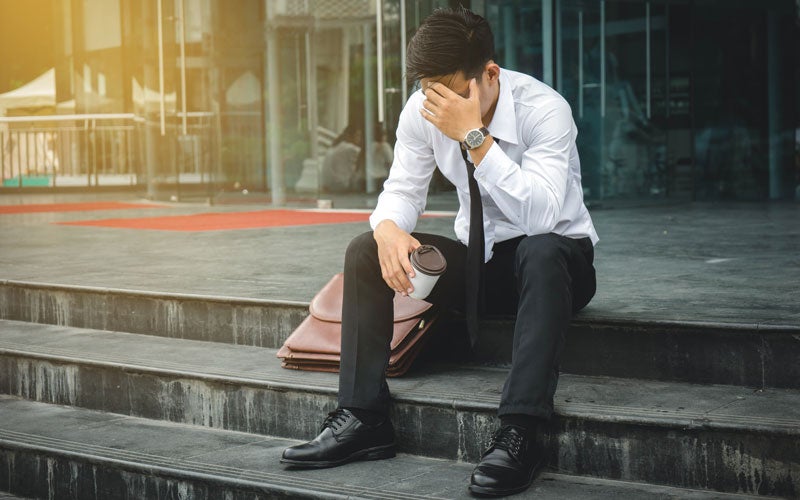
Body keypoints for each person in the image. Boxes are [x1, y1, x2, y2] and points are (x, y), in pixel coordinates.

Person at [282, 7, 598, 497]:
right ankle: (364, 418)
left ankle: (521, 433)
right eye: (430, 89)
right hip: (480, 269)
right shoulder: (422, 109)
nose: (437, 102)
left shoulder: (545, 109)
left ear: (489, 75)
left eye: (450, 90)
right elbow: (404, 189)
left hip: (559, 269)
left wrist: (475, 138)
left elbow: (542, 216)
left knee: (540, 249)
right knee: (366, 249)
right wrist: (388, 228)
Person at [320, 124, 362, 193]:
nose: (359, 138)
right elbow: (354, 172)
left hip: (329, 185)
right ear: (349, 136)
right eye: (357, 135)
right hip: (341, 186)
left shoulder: (335, 146)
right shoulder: (351, 149)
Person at [367, 125, 393, 193]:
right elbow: (390, 163)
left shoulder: (368, 146)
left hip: (369, 178)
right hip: (381, 178)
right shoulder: (384, 146)